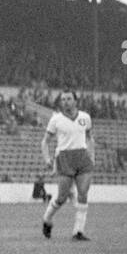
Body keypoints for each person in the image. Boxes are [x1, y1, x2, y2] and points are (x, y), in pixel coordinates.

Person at [40, 90, 94, 240]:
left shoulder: (85, 117)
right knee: (62, 197)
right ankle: (47, 219)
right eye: (63, 99)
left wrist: (92, 156)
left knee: (83, 193)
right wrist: (47, 159)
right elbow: (45, 141)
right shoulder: (56, 119)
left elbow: (90, 138)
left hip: (82, 158)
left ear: (75, 101)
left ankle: (78, 232)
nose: (65, 102)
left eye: (69, 99)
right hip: (65, 159)